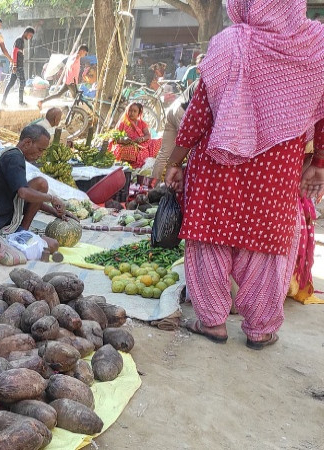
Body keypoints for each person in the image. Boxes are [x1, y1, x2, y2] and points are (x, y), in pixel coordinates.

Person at [164, 0, 324, 350]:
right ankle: (261, 328)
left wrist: (174, 161)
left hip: (219, 162)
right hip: (277, 168)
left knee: (210, 234)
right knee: (266, 243)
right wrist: (319, 161)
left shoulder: (230, 42)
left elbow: (200, 110)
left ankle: (212, 322)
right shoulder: (317, 47)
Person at [0, 125, 65, 254]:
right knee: (52, 245)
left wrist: (54, 211)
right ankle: (20, 235)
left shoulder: (14, 155)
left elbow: (25, 199)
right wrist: (52, 198)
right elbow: (23, 193)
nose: (40, 155)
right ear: (27, 142)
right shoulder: (14, 158)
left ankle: (22, 232)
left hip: (2, 220)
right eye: (40, 150)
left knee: (40, 184)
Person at [152, 79, 199, 181]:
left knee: (164, 154)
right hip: (183, 113)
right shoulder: (204, 82)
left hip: (173, 109)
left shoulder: (199, 81)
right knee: (190, 151)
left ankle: (151, 186)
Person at [38, 44, 89, 109]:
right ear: (82, 51)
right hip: (71, 81)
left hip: (69, 81)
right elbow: (70, 68)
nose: (85, 55)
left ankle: (41, 102)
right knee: (76, 97)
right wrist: (73, 82)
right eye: (85, 53)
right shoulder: (76, 57)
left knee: (58, 94)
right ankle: (75, 112)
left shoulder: (74, 57)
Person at [110, 102, 157, 168]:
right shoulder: (122, 123)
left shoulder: (142, 123)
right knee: (129, 151)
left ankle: (137, 165)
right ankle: (128, 165)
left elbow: (148, 135)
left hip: (140, 144)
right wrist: (122, 140)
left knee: (157, 143)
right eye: (130, 110)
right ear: (127, 111)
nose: (132, 113)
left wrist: (142, 139)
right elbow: (115, 138)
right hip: (125, 145)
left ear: (138, 113)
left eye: (135, 111)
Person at [2, 27, 35, 107]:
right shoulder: (19, 40)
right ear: (26, 33)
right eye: (30, 35)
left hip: (16, 65)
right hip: (17, 66)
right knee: (22, 82)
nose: (30, 37)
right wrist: (15, 65)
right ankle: (20, 102)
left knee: (11, 83)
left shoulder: (21, 41)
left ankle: (3, 100)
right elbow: (14, 51)